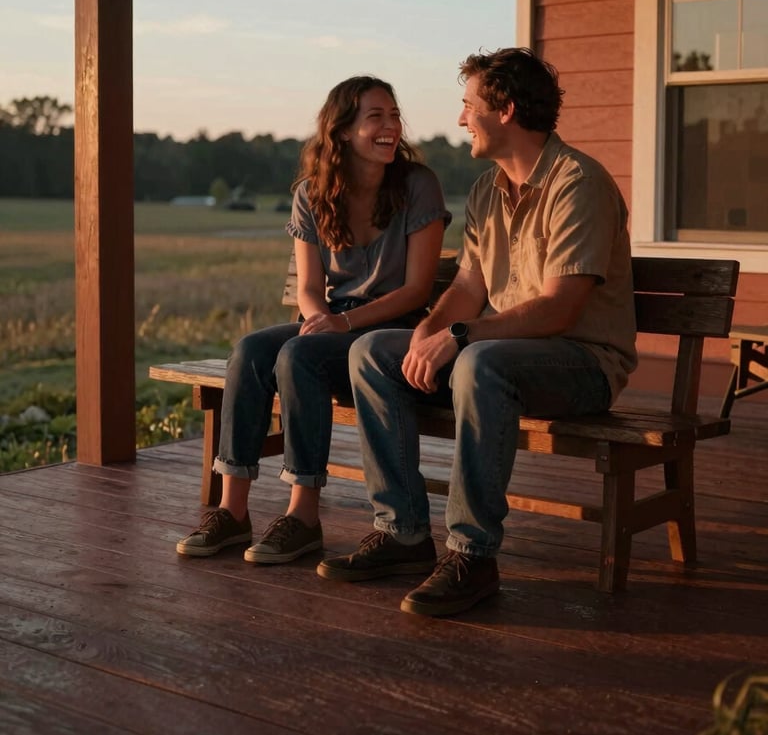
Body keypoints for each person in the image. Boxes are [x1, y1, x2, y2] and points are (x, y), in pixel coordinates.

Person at [317, 48, 638, 616]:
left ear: (506, 110)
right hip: (501, 358)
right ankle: (404, 535)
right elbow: (468, 285)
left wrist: (460, 337)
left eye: (469, 105)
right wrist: (429, 333)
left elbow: (559, 311)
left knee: (477, 363)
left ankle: (472, 555)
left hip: (581, 364)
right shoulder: (490, 189)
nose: (461, 118)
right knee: (371, 352)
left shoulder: (577, 184)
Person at [177, 75, 451, 564]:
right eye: (376, 117)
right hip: (339, 322)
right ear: (343, 130)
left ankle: (303, 516)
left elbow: (416, 290)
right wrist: (321, 318)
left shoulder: (417, 185)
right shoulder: (312, 193)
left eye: (394, 116)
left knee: (300, 355)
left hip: (395, 330)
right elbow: (307, 288)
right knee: (251, 350)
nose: (391, 126)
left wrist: (340, 326)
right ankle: (232, 511)